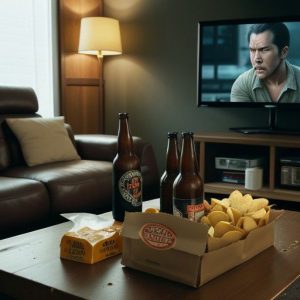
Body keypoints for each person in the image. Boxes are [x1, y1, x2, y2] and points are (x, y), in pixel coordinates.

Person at [230, 23, 300, 103]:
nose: (257, 59)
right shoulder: (243, 84)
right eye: (252, 50)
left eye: (264, 50)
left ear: (283, 52)